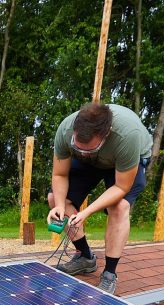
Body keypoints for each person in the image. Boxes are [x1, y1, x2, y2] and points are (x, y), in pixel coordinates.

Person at [48, 103, 153, 294]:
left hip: (124, 161)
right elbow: (59, 175)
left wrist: (86, 212)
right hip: (89, 163)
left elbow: (121, 186)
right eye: (78, 147)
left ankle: (110, 273)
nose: (83, 151)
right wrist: (60, 206)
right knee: (55, 199)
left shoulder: (127, 136)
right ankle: (86, 259)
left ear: (106, 135)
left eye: (88, 148)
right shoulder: (65, 130)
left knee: (119, 207)